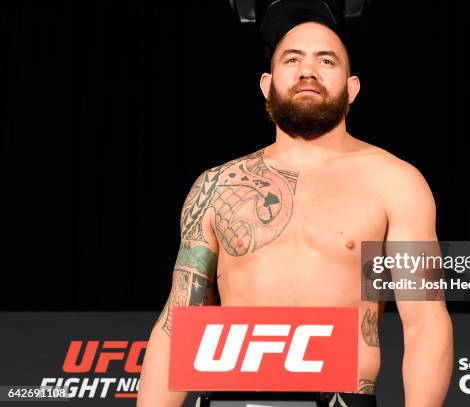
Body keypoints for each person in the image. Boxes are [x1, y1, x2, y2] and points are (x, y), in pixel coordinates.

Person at [138, 7, 453, 407]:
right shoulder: (216, 186)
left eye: (326, 60)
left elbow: (425, 322)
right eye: (293, 59)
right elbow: (176, 326)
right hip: (229, 395)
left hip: (342, 396)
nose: (308, 71)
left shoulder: (395, 183)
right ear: (267, 85)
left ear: (352, 87)